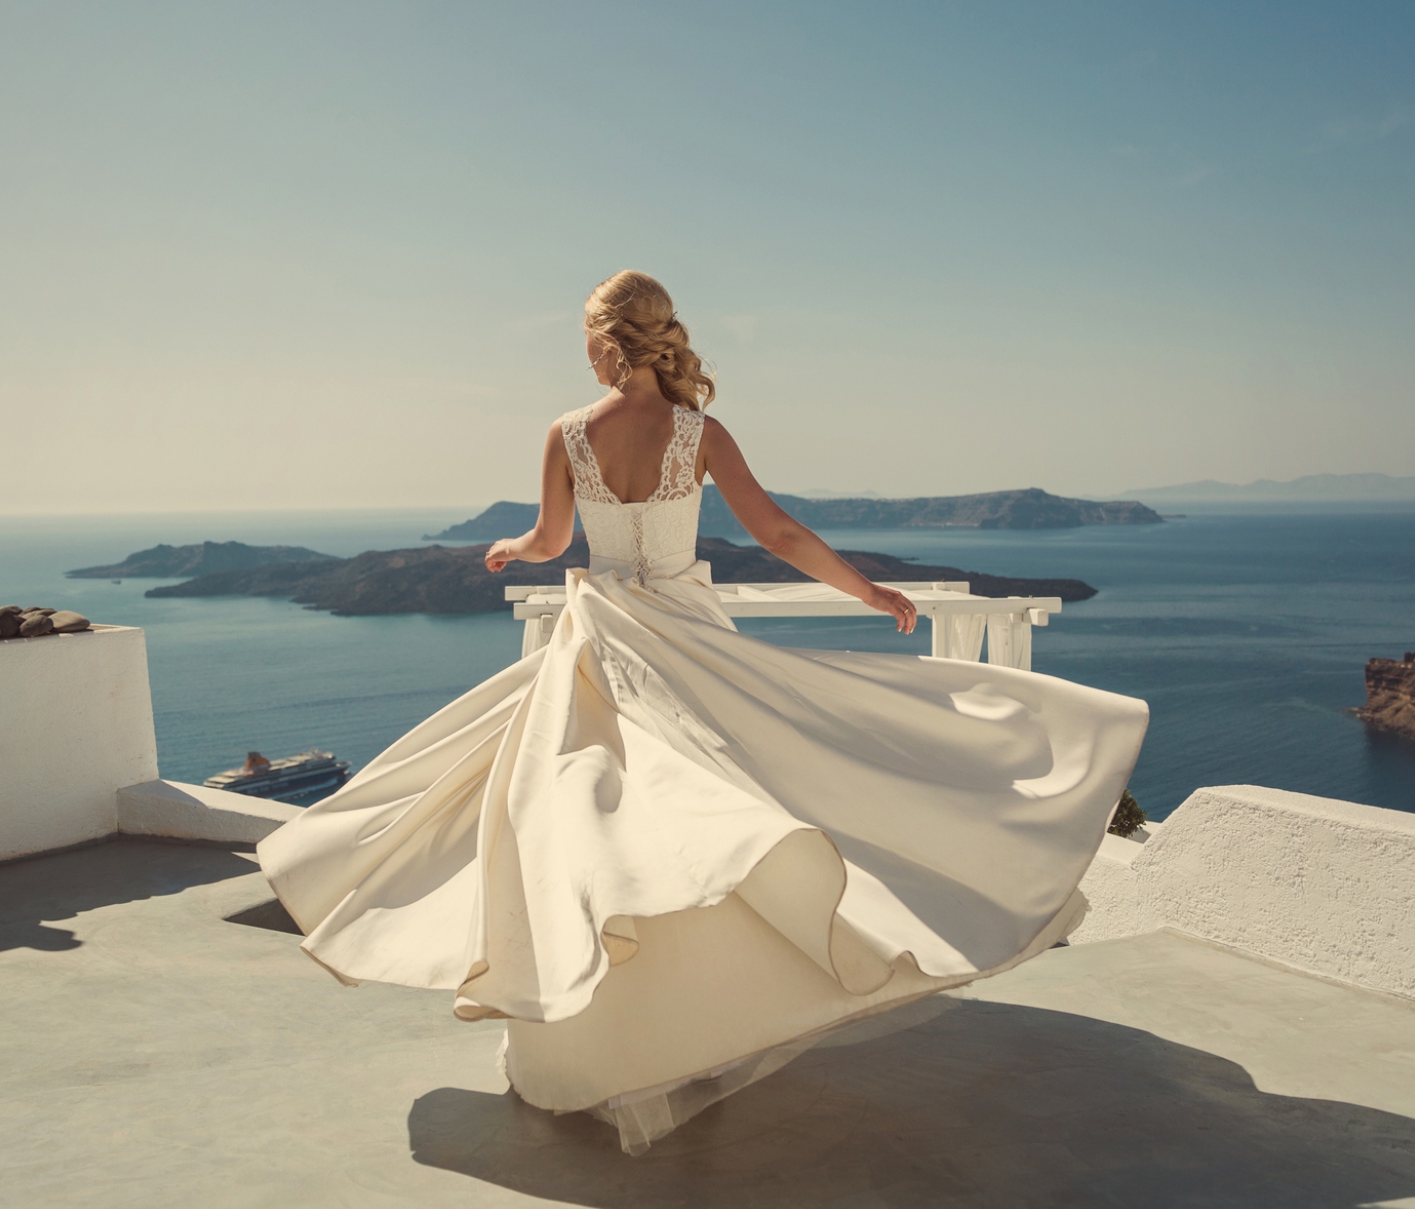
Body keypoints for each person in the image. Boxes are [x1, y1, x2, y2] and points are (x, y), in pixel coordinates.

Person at [257, 270, 1148, 1154]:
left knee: (589, 834)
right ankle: (705, 1023)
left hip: (601, 641)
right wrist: (868, 590)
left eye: (587, 342)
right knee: (735, 811)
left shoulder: (568, 433)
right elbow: (780, 535)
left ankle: (596, 1043)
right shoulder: (699, 433)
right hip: (687, 640)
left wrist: (508, 549)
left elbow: (553, 543)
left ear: (608, 343)